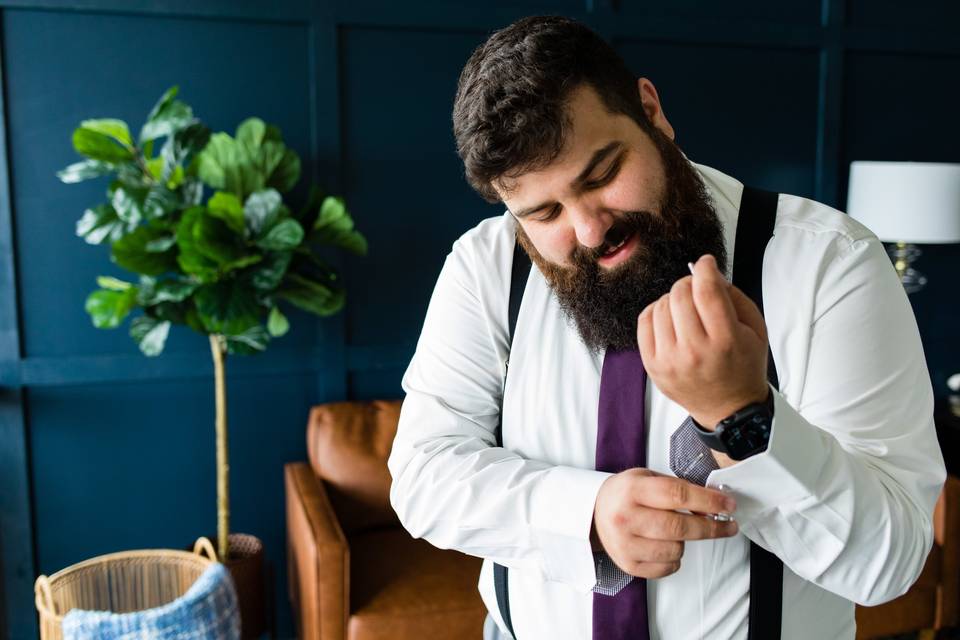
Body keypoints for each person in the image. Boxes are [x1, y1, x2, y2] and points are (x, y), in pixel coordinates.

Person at [387, 15, 945, 640]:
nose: (590, 231)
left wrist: (739, 414)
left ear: (650, 111)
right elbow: (423, 478)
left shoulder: (829, 263)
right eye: (544, 211)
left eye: (600, 175)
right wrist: (586, 515)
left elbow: (889, 565)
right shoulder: (486, 266)